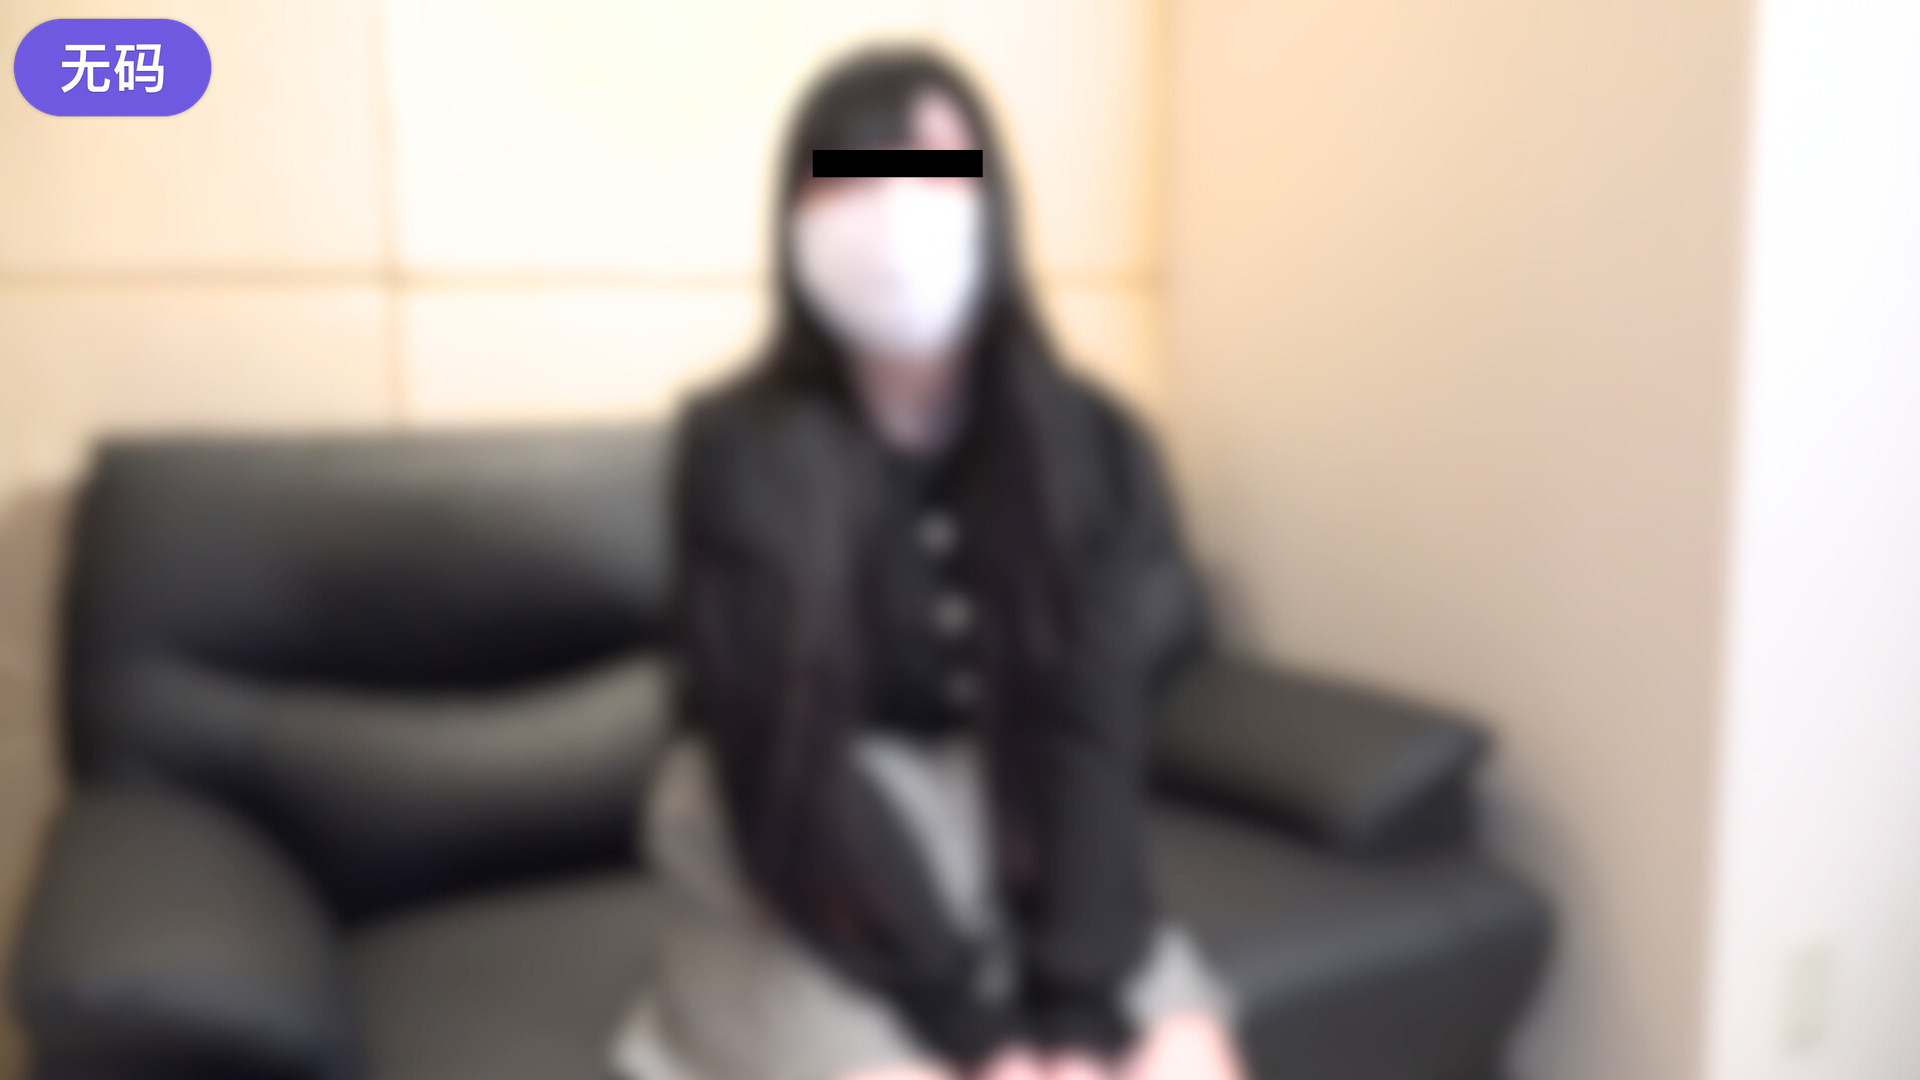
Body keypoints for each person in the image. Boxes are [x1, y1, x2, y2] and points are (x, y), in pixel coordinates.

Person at [611, 45, 1248, 1080]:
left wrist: (1076, 1012)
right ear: (794, 224)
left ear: (996, 202)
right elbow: (786, 751)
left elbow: (1091, 729)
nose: (896, 209)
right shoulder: (737, 448)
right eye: (850, 179)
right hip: (790, 839)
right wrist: (975, 1031)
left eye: (936, 171)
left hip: (1017, 815)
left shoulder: (1089, 440)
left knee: (1185, 1060)